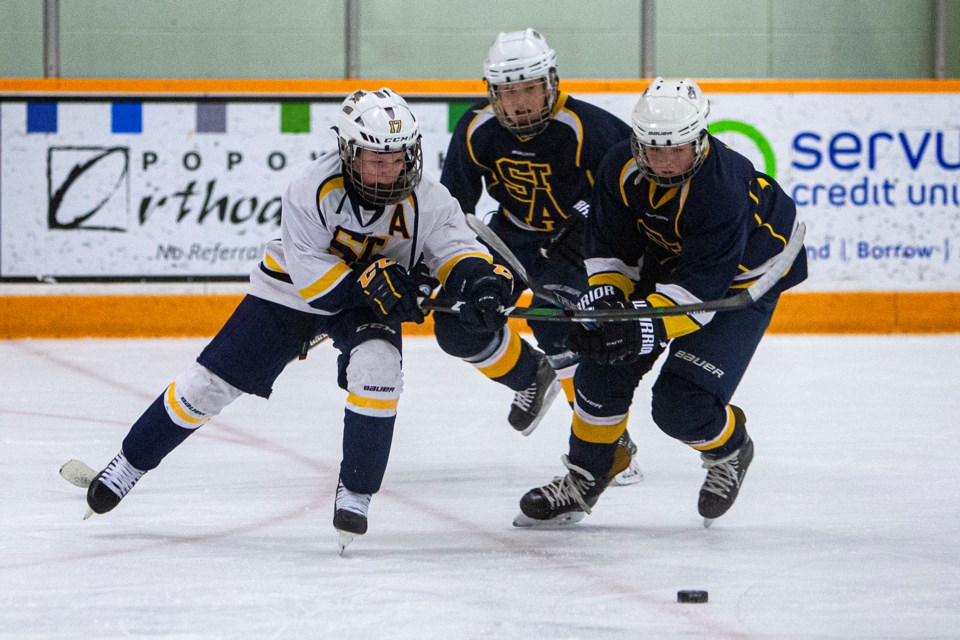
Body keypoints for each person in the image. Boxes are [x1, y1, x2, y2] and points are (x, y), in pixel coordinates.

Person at [81, 88, 516, 551]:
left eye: (399, 158)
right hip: (291, 292)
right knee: (205, 386)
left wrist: (480, 284)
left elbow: (456, 249)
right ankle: (129, 464)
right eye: (376, 159)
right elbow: (316, 285)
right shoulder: (310, 189)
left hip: (369, 300)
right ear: (348, 154)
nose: (391, 171)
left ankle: (357, 490)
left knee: (379, 368)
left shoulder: (429, 198)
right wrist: (379, 287)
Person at [515, 77, 808, 527]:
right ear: (637, 141)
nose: (665, 161)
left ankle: (730, 449)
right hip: (671, 262)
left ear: (699, 139)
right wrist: (606, 302)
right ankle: (587, 475)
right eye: (654, 148)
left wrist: (634, 325)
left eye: (677, 149)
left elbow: (701, 294)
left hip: (740, 281)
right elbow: (612, 250)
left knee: (680, 405)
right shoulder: (620, 166)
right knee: (600, 369)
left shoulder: (723, 186)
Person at [436, 28, 640, 483]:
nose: (520, 103)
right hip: (510, 237)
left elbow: (634, 193)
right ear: (493, 93)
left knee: (559, 326)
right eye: (509, 93)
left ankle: (607, 442)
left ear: (550, 83)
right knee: (456, 325)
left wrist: (590, 223)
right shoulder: (474, 129)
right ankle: (530, 375)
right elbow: (450, 210)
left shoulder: (590, 127)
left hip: (577, 248)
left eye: (530, 88)